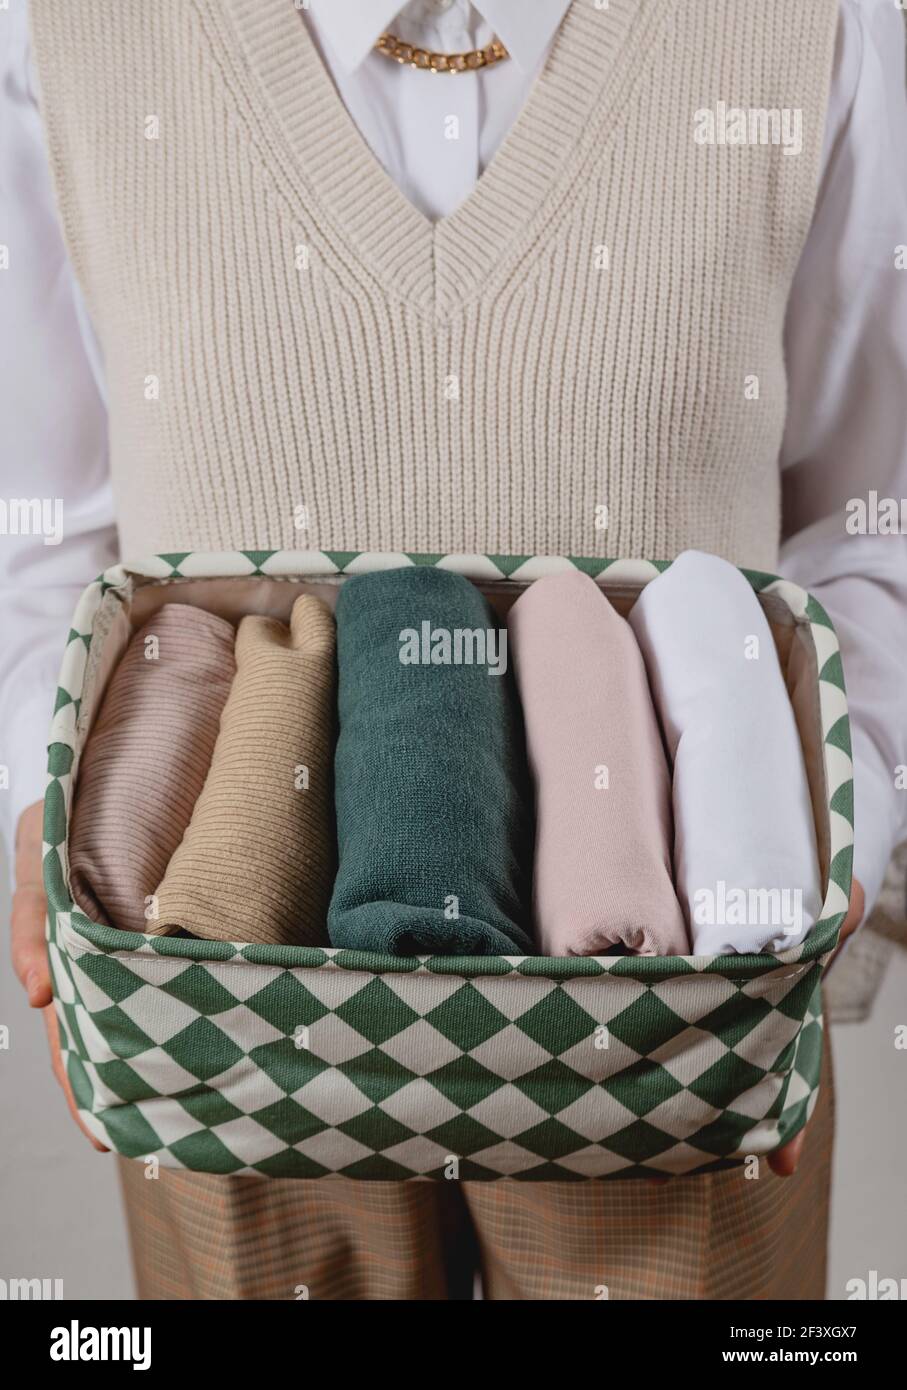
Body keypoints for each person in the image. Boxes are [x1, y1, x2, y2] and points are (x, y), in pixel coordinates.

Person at [4, 0, 907, 1300]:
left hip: (684, 1017)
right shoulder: (68, 32)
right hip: (217, 966)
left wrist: (812, 865)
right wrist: (55, 811)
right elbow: (42, 517)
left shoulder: (808, 23)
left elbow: (872, 514)